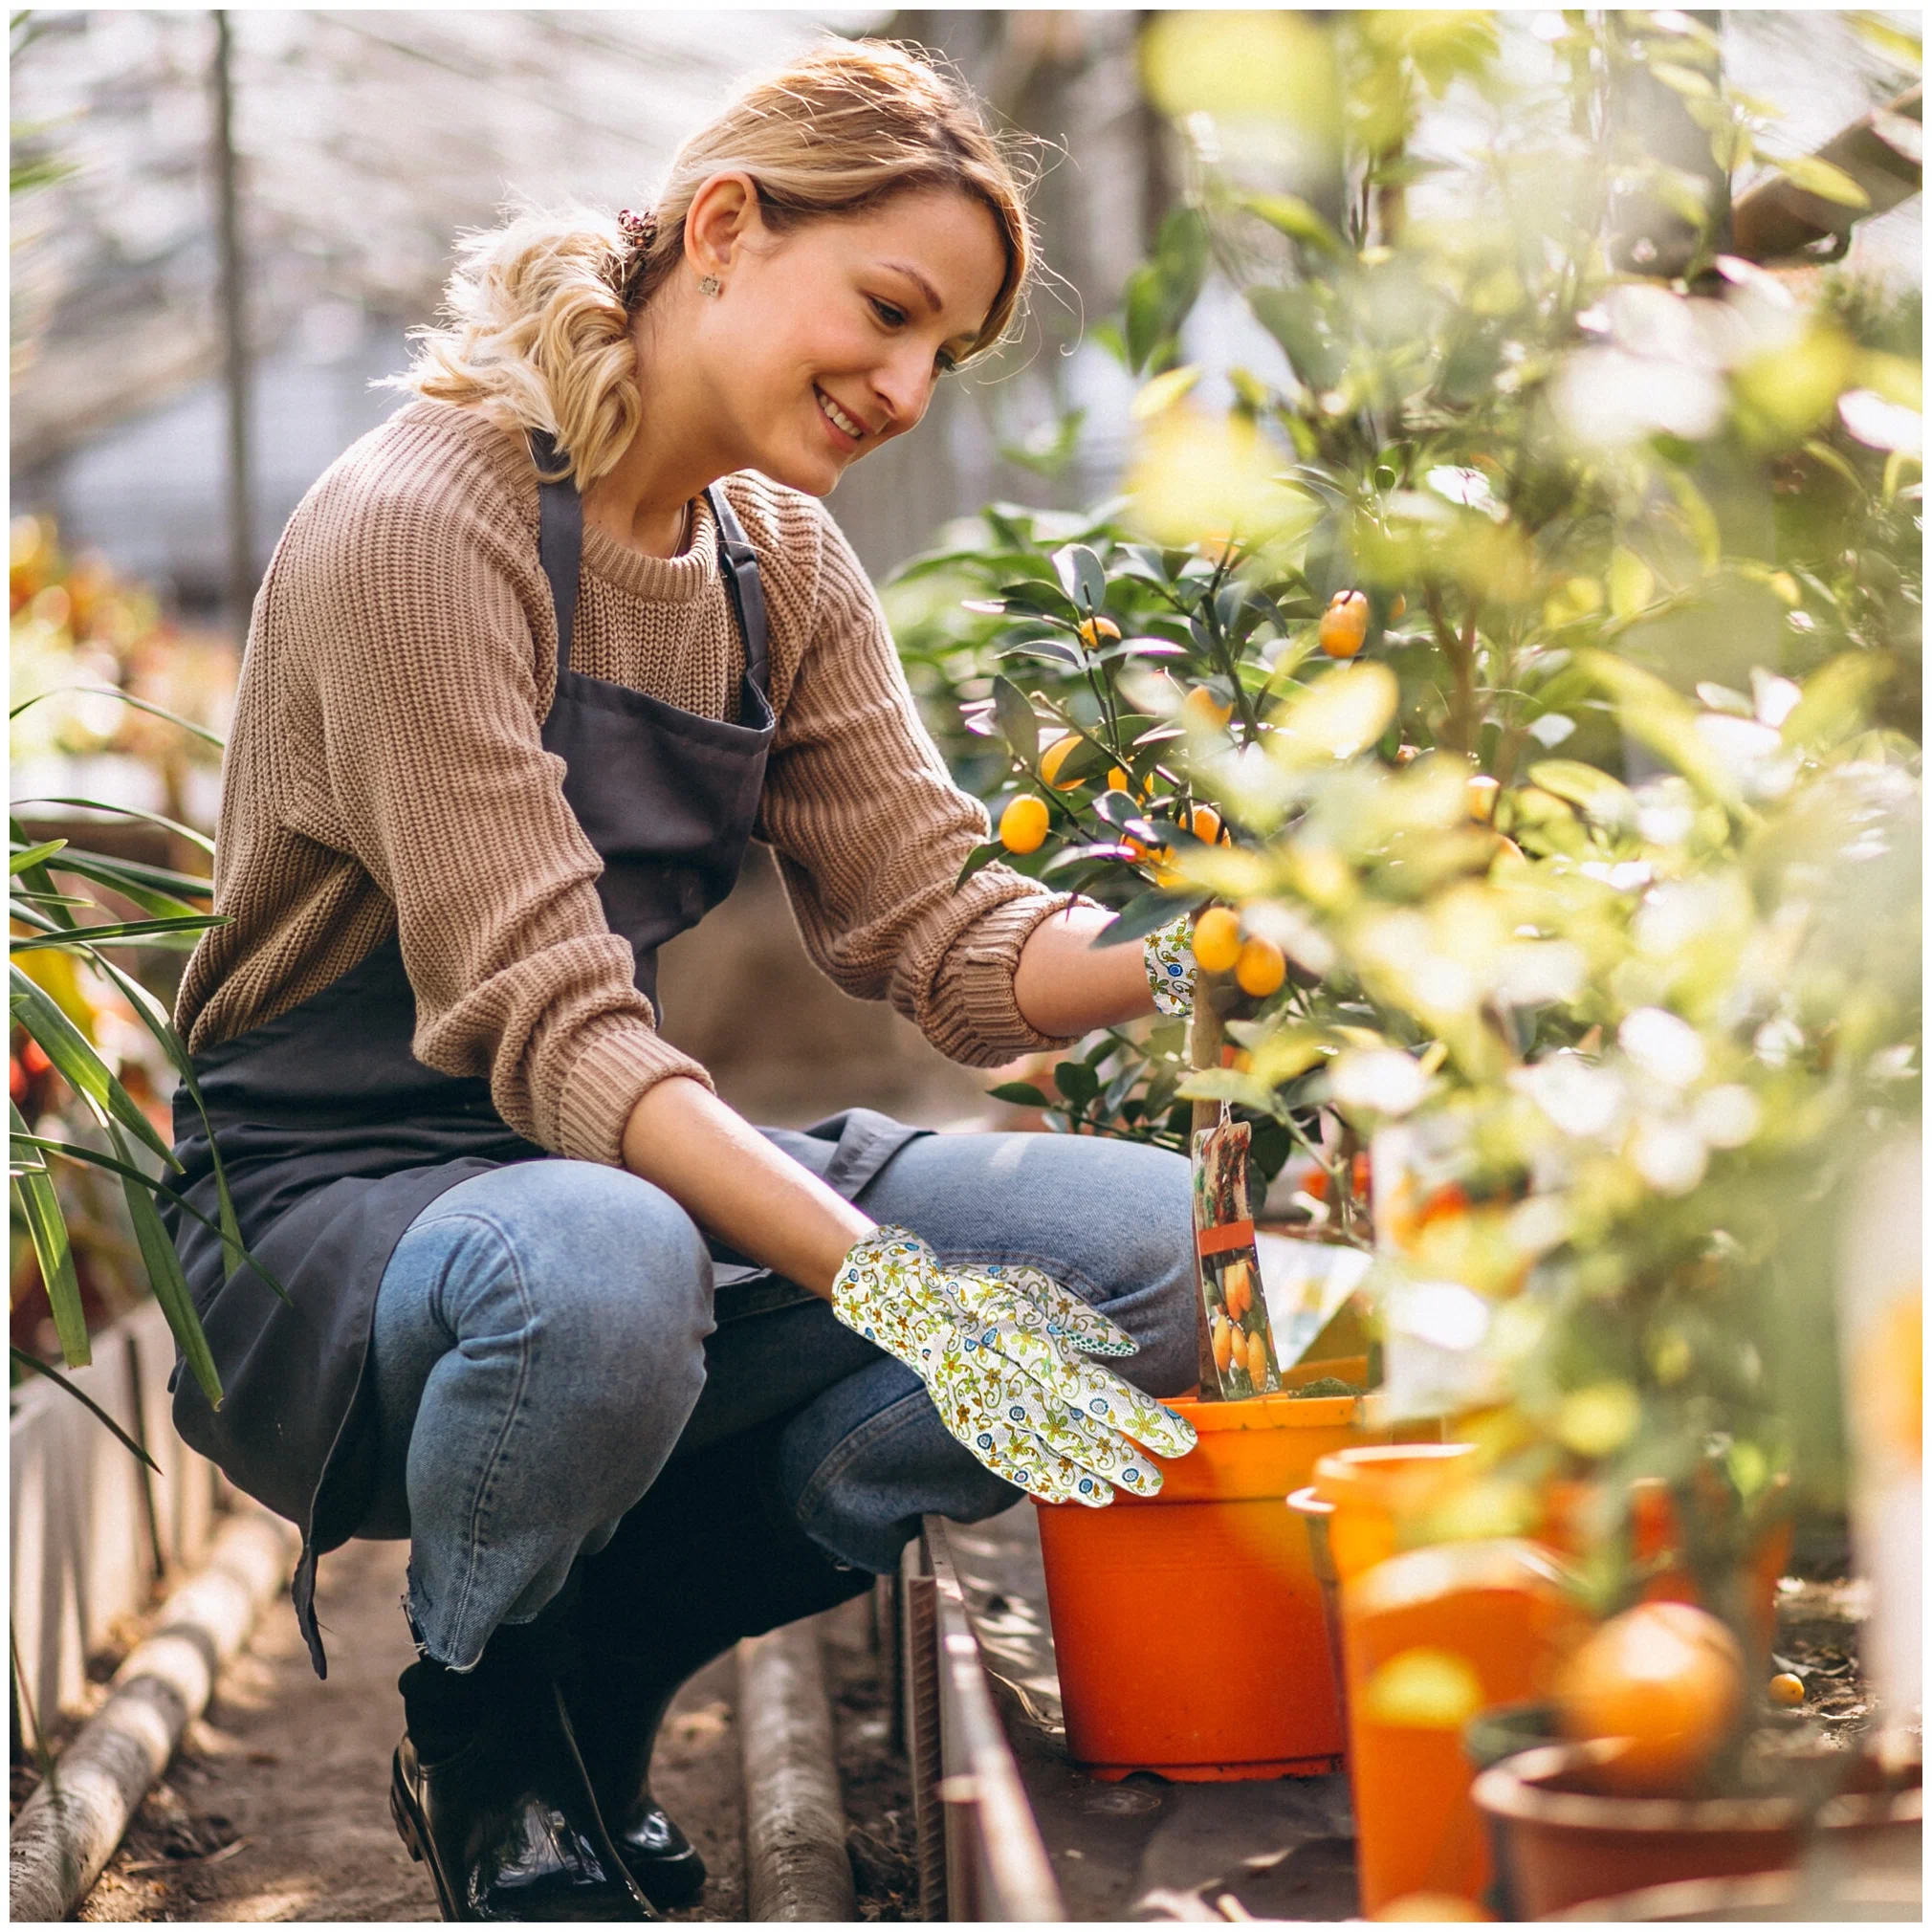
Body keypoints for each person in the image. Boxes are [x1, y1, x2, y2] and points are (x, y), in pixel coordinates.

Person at [165, 39, 1202, 1923]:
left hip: (596, 1176)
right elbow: (559, 1030)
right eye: (885, 311)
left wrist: (1220, 935)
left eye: (942, 355)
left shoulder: (774, 562)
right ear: (721, 226)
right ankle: (484, 1725)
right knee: (605, 1264)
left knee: (1136, 1248)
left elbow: (948, 941)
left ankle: (595, 1665)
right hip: (327, 1217)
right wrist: (902, 1291)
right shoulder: (426, 522)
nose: (902, 387)